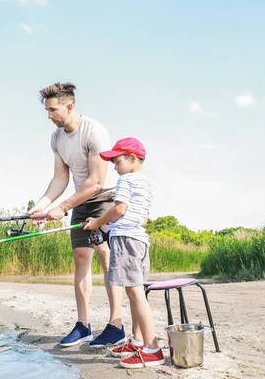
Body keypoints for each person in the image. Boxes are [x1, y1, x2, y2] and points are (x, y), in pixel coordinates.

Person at [27, 82, 127, 348]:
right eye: (47, 111)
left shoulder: (94, 132)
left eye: (53, 110)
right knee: (80, 258)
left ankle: (116, 325)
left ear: (69, 106)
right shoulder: (56, 138)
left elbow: (96, 180)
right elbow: (61, 177)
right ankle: (83, 326)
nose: (49, 116)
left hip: (104, 197)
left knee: (106, 258)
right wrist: (43, 205)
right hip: (80, 200)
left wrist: (63, 207)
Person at [83, 137, 165, 368]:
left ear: (131, 158)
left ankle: (152, 349)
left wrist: (97, 221)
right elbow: (144, 220)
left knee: (136, 294)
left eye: (116, 161)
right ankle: (138, 342)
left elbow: (119, 209)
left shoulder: (126, 180)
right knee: (134, 292)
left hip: (127, 242)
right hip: (139, 241)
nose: (114, 166)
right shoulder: (145, 183)